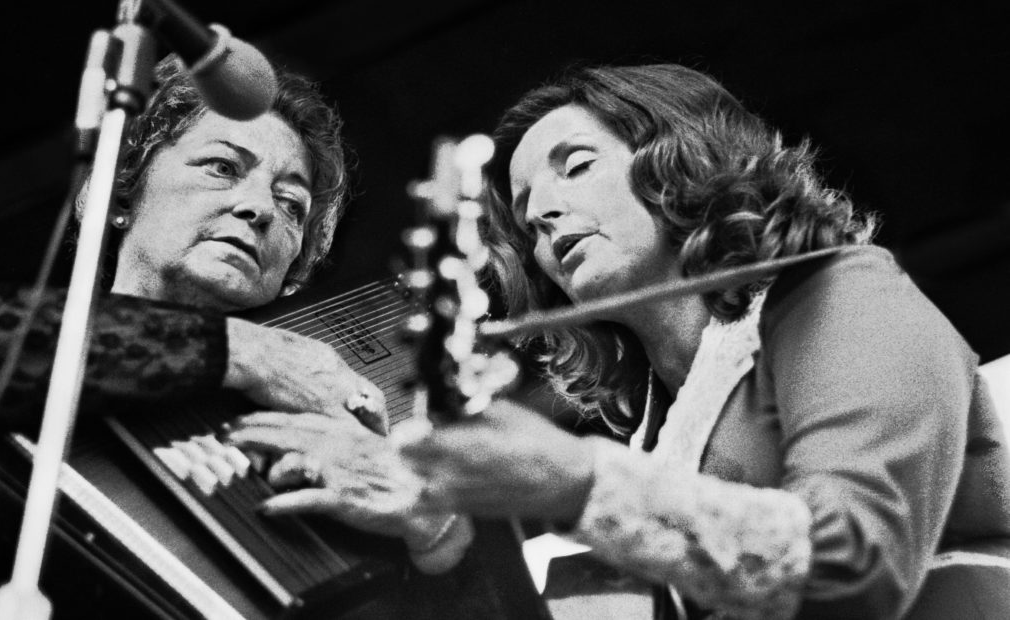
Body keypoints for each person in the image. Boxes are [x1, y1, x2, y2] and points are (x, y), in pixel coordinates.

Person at [392, 64, 1010, 619]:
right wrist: (430, 537)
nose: (545, 216)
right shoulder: (653, 447)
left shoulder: (844, 291)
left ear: (682, 158)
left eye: (577, 166)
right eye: (527, 218)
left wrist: (577, 481)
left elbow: (855, 570)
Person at [0, 55, 457, 619]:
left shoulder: (332, 427)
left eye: (291, 205)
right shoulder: (8, 356)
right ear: (122, 191)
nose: (259, 207)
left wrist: (434, 531)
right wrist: (251, 353)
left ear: (295, 266)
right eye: (222, 167)